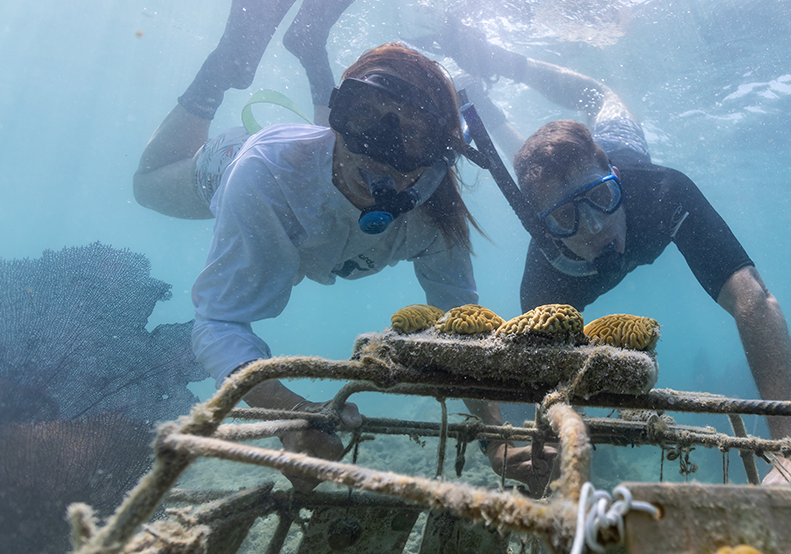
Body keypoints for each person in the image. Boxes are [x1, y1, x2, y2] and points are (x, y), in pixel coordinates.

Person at [132, 2, 550, 494]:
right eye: (363, 115)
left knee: (328, 159)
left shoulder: (433, 217)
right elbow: (217, 321)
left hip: (314, 158)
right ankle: (226, 66)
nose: (378, 149)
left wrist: (495, 441)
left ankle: (308, 46)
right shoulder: (263, 176)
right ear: (342, 114)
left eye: (412, 133)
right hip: (233, 160)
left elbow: (463, 327)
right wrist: (289, 414)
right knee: (147, 185)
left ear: (438, 158)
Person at [437, 25, 791, 487]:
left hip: (621, 145)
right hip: (566, 188)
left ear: (615, 178)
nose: (594, 226)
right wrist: (547, 446)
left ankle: (503, 62)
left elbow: (753, 300)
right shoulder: (544, 275)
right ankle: (494, 111)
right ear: (544, 227)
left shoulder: (660, 191)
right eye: (565, 218)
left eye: (602, 197)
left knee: (601, 95)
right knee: (532, 162)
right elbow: (551, 381)